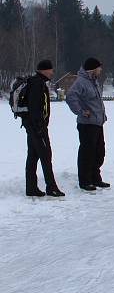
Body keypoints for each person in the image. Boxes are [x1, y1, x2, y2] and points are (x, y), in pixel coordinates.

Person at [22, 59, 64, 197]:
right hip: (37, 128)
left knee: (33, 156)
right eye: (50, 70)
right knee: (46, 156)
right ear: (44, 70)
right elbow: (35, 109)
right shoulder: (37, 84)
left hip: (33, 127)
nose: (52, 72)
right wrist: (40, 128)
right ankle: (51, 187)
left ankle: (31, 188)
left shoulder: (38, 83)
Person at [65, 57, 108, 191]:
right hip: (87, 124)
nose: (100, 70)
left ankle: (95, 178)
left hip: (98, 123)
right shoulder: (81, 82)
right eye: (99, 68)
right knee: (87, 153)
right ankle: (85, 181)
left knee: (99, 152)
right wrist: (81, 112)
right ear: (92, 69)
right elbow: (70, 97)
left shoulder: (94, 82)